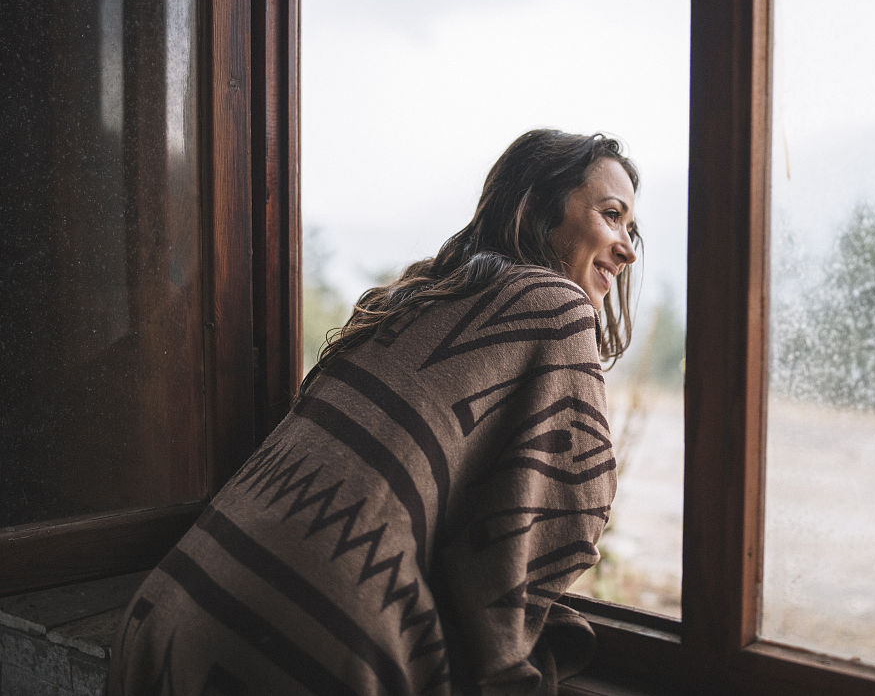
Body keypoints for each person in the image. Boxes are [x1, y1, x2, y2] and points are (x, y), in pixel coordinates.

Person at [108, 130, 640, 696]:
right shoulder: (555, 306)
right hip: (319, 637)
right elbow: (572, 509)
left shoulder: (415, 296)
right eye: (612, 216)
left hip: (169, 610)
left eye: (632, 231)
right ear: (535, 206)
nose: (628, 248)